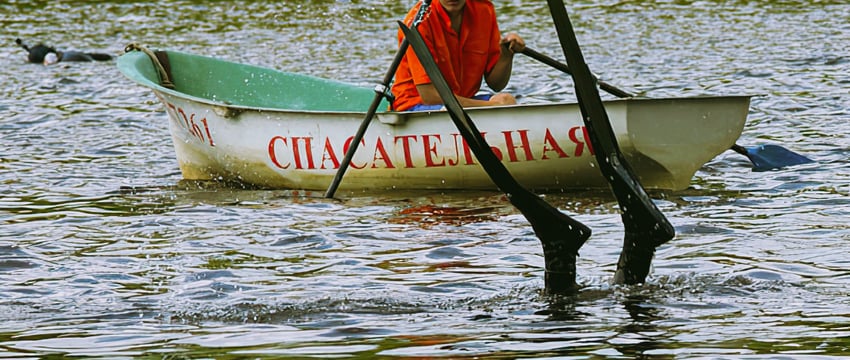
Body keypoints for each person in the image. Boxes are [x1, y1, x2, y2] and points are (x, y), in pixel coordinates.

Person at [390, 0, 525, 112]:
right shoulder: (417, 23)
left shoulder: (484, 9)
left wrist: (506, 56)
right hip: (416, 106)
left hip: (461, 103)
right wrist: (490, 106)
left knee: (507, 100)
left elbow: (496, 84)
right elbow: (430, 96)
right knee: (449, 112)